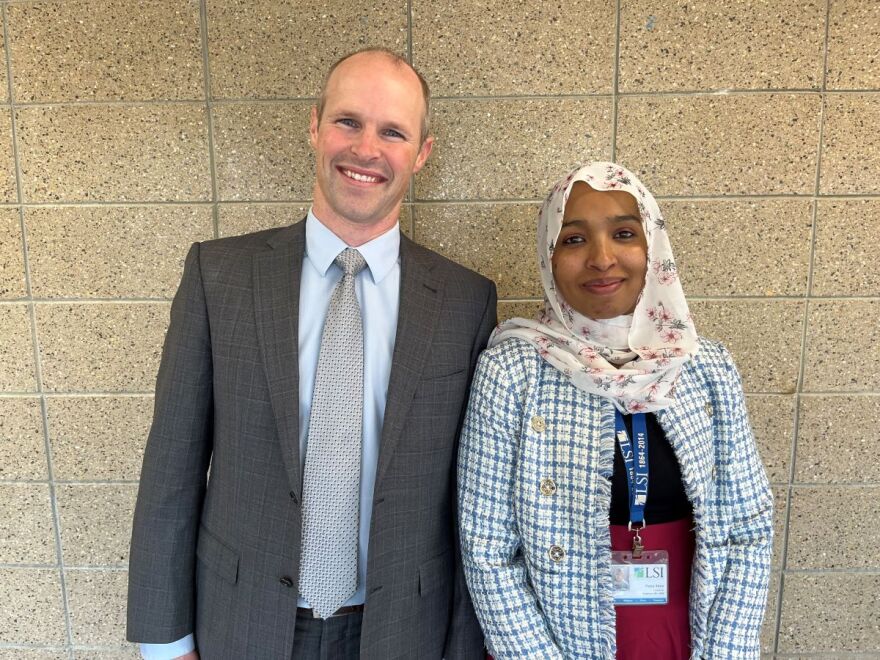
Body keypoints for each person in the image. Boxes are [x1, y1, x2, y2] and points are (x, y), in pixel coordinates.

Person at [127, 48, 496, 660]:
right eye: (348, 121)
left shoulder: (464, 301)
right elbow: (172, 468)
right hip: (241, 623)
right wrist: (166, 642)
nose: (366, 149)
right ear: (314, 126)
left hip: (403, 630)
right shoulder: (218, 277)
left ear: (423, 153)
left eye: (393, 132)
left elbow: (471, 503)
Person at [458, 162, 772, 659]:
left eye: (624, 233)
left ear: (653, 248)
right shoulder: (513, 371)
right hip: (558, 636)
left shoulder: (704, 366)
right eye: (575, 239)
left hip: (692, 632)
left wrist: (729, 649)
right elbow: (488, 549)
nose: (602, 258)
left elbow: (748, 528)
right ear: (549, 254)